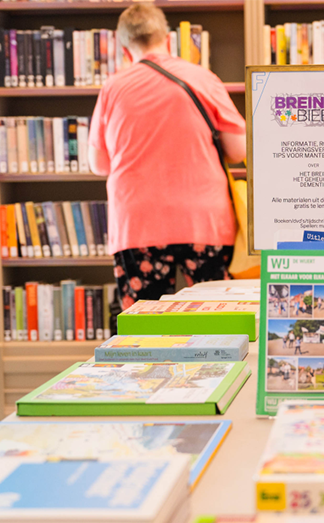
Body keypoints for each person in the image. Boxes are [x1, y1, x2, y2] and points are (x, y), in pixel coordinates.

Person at [89, 4, 246, 309]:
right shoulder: (202, 78)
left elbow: (99, 164)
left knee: (144, 329)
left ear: (124, 48)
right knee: (217, 324)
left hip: (138, 223)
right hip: (203, 220)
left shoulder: (113, 88)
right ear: (168, 38)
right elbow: (238, 150)